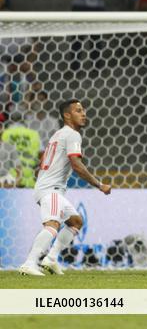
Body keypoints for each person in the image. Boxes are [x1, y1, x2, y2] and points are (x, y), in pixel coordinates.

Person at [18, 100, 111, 276]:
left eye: (83, 110)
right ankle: (29, 263)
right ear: (67, 115)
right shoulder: (72, 135)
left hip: (49, 187)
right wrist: (99, 185)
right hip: (51, 188)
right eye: (78, 111)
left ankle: (51, 259)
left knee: (76, 222)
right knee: (52, 224)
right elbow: (76, 165)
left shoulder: (58, 134)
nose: (83, 114)